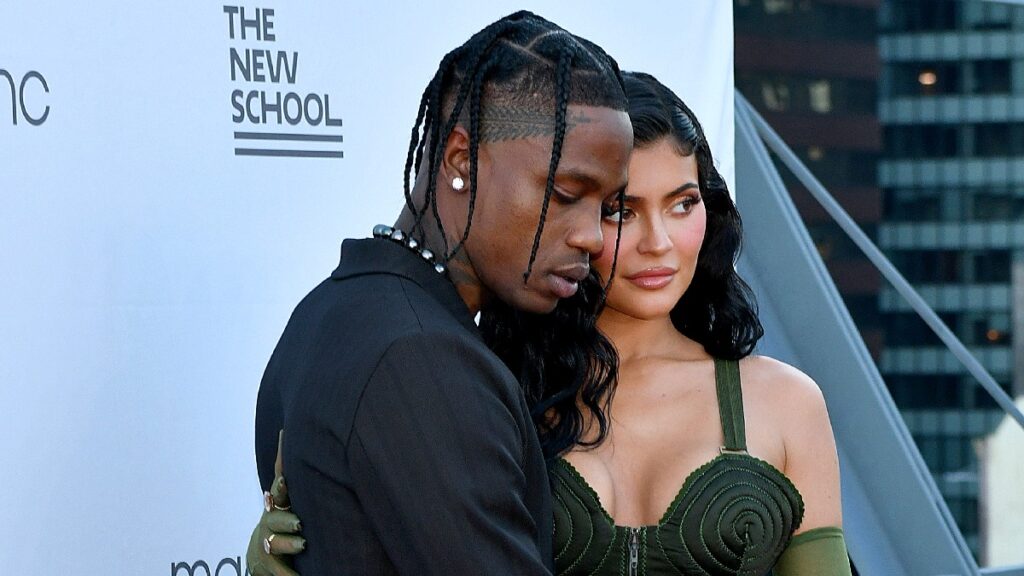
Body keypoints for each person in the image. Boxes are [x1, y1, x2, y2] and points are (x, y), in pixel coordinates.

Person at [251, 72, 854, 574]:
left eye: (683, 203)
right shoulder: (485, 385)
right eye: (622, 212)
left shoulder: (785, 403)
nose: (659, 243)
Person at [250, 10, 633, 576]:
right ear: (462, 160)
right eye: (566, 192)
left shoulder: (330, 310)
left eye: (606, 207)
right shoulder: (420, 359)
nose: (592, 236)